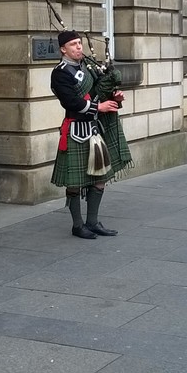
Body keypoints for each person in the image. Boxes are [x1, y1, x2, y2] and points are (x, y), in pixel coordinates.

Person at [50, 29, 132, 239]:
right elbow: (70, 102)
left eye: (79, 43)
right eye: (73, 44)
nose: (78, 47)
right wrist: (98, 108)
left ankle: (93, 222)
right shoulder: (60, 73)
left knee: (100, 178)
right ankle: (78, 225)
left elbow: (99, 92)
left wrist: (115, 98)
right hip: (76, 131)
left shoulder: (88, 67)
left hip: (95, 131)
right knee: (75, 181)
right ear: (63, 49)